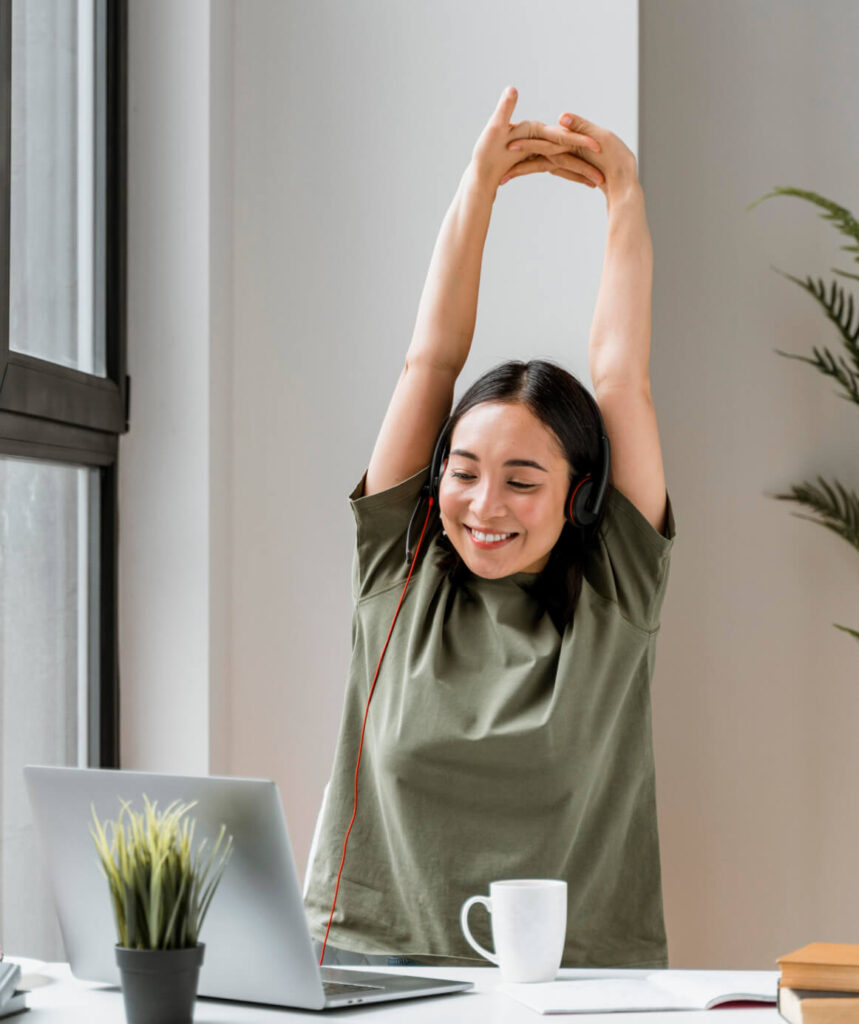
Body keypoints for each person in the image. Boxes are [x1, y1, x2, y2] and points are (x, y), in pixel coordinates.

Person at [304, 86, 675, 970]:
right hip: (367, 969)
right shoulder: (399, 566)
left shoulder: (616, 588)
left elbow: (621, 379)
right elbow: (429, 357)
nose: (482, 504)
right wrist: (478, 187)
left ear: (580, 496)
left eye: (520, 480)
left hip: (576, 990)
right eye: (463, 474)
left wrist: (624, 196)